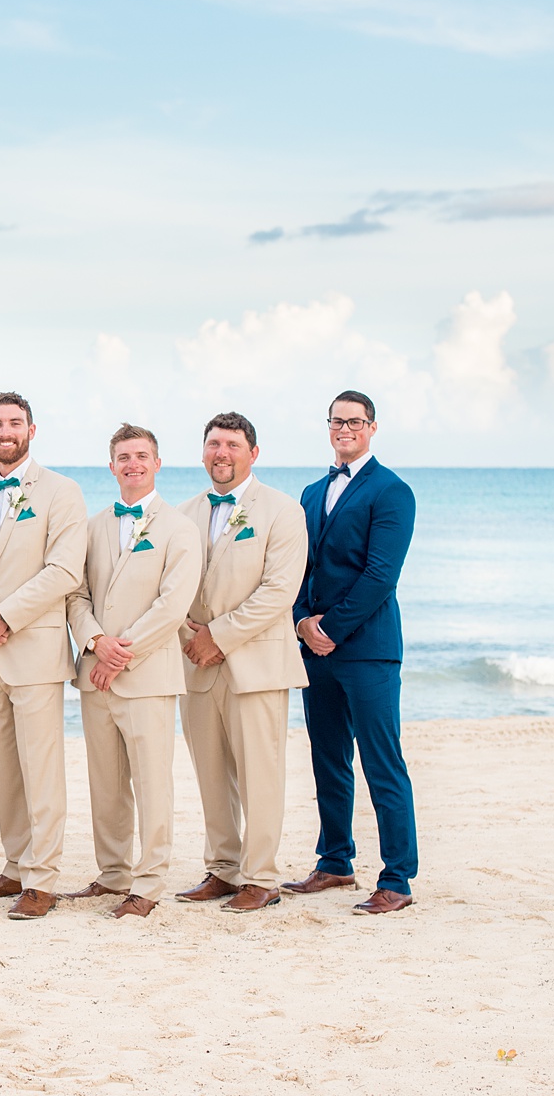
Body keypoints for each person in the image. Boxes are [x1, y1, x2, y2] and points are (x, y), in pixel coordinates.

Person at [0, 391, 87, 921]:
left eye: (13, 423)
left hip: (33, 649)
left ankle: (44, 877)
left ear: (32, 428)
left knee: (42, 769)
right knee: (5, 769)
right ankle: (15, 865)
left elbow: (64, 570)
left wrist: (5, 616)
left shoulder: (62, 491)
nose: (4, 431)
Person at [287, 390, 418, 915]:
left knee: (382, 763)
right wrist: (300, 622)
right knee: (328, 758)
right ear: (329, 427)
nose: (345, 429)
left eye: (355, 421)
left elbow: (381, 575)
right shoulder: (312, 491)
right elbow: (299, 566)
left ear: (372, 427)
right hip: (315, 651)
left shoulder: (392, 491)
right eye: (337, 421)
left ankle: (397, 879)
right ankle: (336, 862)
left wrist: (332, 629)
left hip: (368, 651)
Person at [173, 414, 308, 914]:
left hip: (256, 664)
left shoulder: (282, 511)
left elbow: (279, 591)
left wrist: (219, 637)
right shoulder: (182, 512)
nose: (221, 453)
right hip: (196, 662)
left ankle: (262, 876)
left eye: (231, 444)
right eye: (213, 444)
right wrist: (192, 635)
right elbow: (170, 585)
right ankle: (223, 869)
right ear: (203, 452)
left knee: (259, 774)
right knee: (210, 774)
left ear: (254, 451)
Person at [64, 424, 199, 919]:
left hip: (147, 676)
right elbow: (75, 594)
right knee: (106, 780)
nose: (133, 464)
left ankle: (149, 883)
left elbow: (173, 604)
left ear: (157, 463)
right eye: (124, 456)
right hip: (94, 673)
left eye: (142, 456)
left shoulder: (180, 528)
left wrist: (122, 655)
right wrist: (96, 643)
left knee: (151, 782)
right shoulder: (93, 526)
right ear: (112, 465)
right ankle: (112, 873)